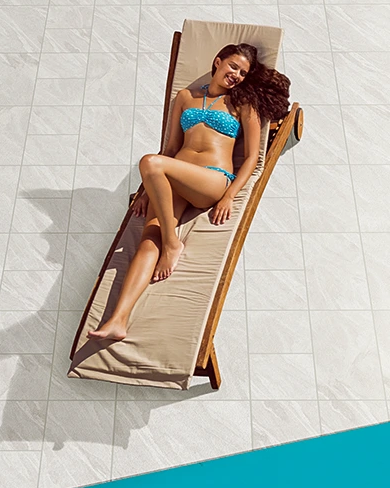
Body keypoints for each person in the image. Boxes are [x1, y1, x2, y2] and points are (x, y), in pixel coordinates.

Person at [88, 43, 291, 341]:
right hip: (171, 177)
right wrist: (149, 188)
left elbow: (251, 159)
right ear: (218, 61)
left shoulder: (243, 104)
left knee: (149, 162)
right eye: (233, 66)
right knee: (148, 242)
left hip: (211, 179)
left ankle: (173, 244)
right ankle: (118, 320)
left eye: (243, 73)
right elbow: (170, 149)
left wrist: (229, 195)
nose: (235, 75)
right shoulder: (184, 97)